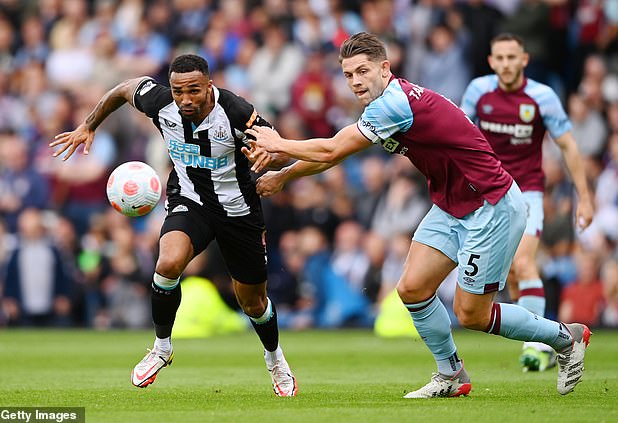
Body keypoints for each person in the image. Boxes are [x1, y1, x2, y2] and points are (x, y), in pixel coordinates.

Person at [247, 32, 590, 398]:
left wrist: (279, 144)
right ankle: (451, 374)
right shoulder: (384, 105)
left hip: (491, 206)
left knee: (472, 314)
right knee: (412, 288)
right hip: (450, 204)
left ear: (384, 68)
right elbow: (335, 152)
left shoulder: (393, 104)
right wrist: (284, 175)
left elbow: (331, 151)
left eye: (363, 71)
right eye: (348, 75)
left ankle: (566, 338)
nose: (356, 81)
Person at [49, 54, 297, 396]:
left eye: (193, 91)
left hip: (238, 210)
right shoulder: (160, 101)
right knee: (167, 263)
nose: (185, 99)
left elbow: (280, 145)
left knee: (252, 303)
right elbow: (123, 89)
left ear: (209, 86)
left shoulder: (236, 110)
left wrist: (270, 155)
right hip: (189, 200)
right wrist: (89, 125)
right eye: (178, 91)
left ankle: (275, 359)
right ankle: (162, 347)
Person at [460, 33, 594, 372]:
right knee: (514, 279)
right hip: (487, 193)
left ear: (524, 60)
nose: (506, 64)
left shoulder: (541, 96)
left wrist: (585, 198)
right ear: (491, 62)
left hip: (527, 192)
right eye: (499, 58)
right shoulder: (478, 91)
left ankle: (535, 347)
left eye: (511, 57)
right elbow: (459, 135)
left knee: (522, 263)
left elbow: (568, 146)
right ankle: (550, 339)